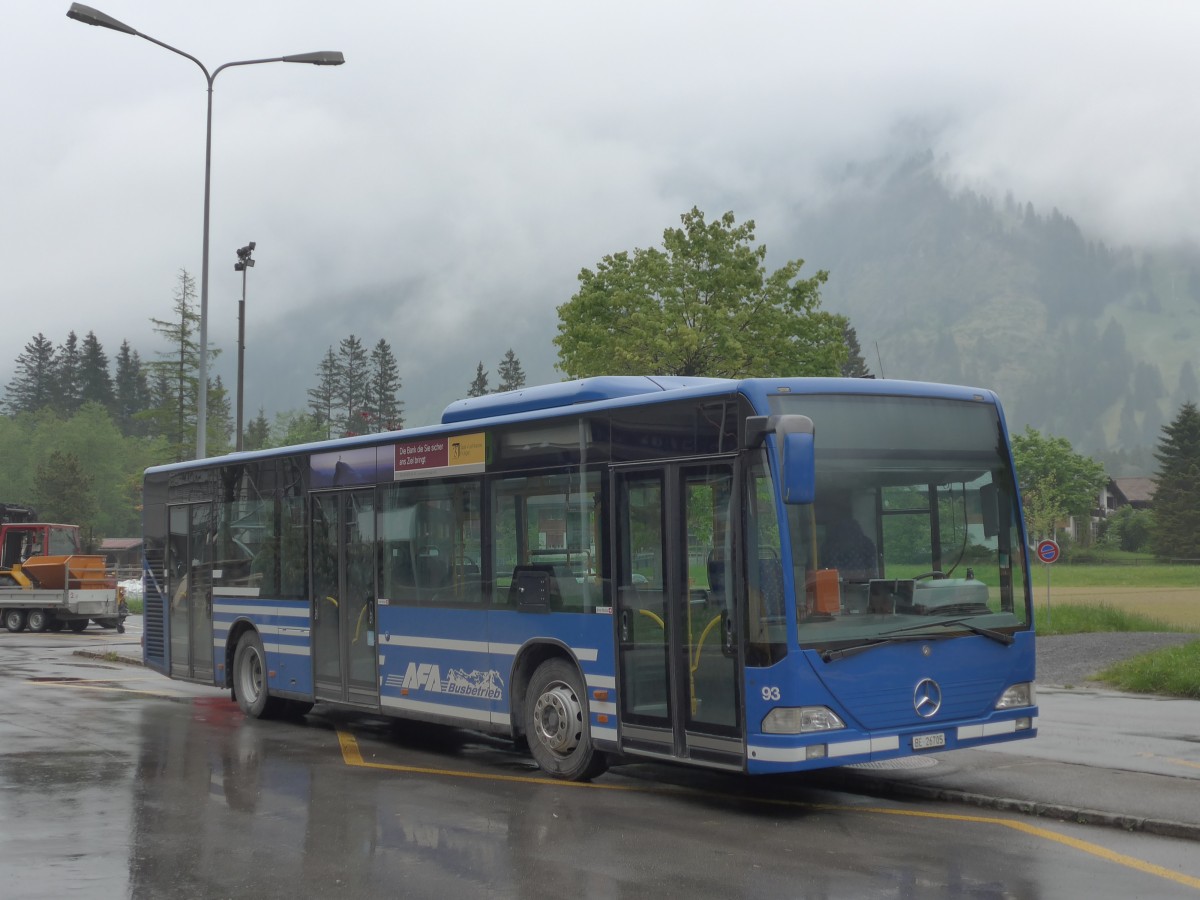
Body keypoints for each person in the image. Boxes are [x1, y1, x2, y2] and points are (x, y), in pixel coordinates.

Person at [819, 498, 878, 582]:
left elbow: (872, 570)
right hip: (848, 584)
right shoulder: (830, 545)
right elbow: (872, 571)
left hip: (845, 584)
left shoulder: (866, 544)